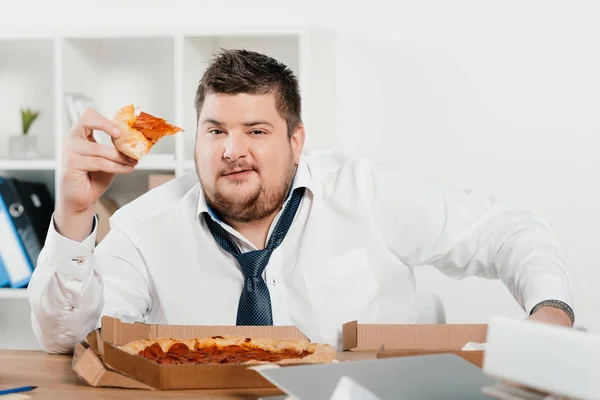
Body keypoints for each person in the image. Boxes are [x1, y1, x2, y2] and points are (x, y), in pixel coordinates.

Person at [28, 49, 575, 354]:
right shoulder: (143, 227)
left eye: (257, 131)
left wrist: (551, 311)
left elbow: (507, 230)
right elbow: (65, 341)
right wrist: (75, 216)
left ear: (296, 141)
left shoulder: (364, 190)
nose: (232, 151)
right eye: (214, 131)